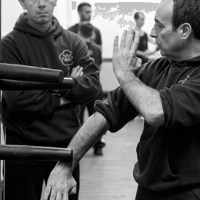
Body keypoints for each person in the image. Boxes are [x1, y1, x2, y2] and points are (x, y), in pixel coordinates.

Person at [45, 0, 200, 199]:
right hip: (147, 188)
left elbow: (156, 111)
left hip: (187, 192)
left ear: (185, 31)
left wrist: (125, 74)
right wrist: (66, 163)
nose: (152, 33)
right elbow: (106, 113)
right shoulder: (157, 68)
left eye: (159, 26)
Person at [1, 0, 99, 200]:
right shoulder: (9, 45)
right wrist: (67, 84)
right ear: (22, 2)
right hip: (23, 146)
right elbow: (20, 101)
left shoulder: (73, 41)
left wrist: (42, 89)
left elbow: (92, 85)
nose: (41, 4)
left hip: (65, 145)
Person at [69, 3, 105, 155]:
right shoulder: (70, 32)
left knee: (96, 115)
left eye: (91, 12)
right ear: (79, 12)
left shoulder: (96, 31)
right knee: (77, 115)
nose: (89, 14)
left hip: (92, 82)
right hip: (77, 81)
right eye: (86, 12)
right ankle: (76, 144)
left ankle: (97, 144)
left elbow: (99, 57)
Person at [78, 22, 105, 155]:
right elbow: (98, 67)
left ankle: (77, 147)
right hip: (95, 86)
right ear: (93, 34)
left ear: (79, 33)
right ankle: (98, 146)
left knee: (78, 117)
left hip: (80, 86)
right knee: (96, 117)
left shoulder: (77, 47)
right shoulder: (97, 48)